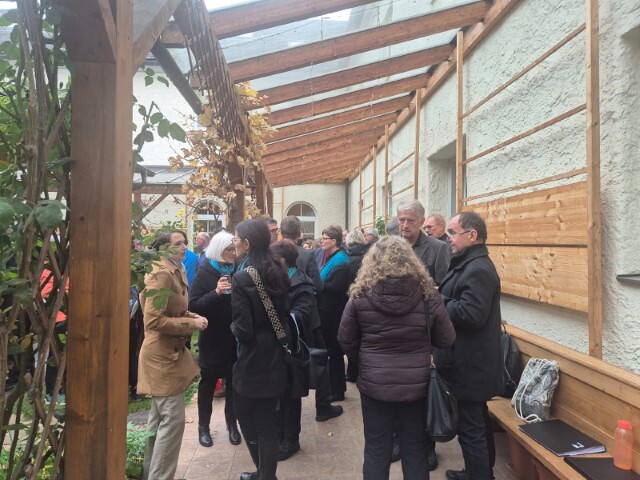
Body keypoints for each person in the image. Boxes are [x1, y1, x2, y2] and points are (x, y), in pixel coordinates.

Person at [338, 236, 455, 480]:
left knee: (376, 448)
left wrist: (366, 361)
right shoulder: (428, 295)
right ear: (412, 261)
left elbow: (345, 339)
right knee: (415, 449)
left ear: (373, 261)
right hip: (417, 385)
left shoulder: (360, 295)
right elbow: (447, 339)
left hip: (375, 384)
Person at [435, 212, 504, 480]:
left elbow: (472, 314)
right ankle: (478, 472)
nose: (449, 239)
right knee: (477, 423)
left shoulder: (478, 269)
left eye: (453, 233)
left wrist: (438, 299)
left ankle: (480, 475)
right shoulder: (470, 263)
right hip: (468, 361)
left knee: (471, 428)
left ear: (472, 235)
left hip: (471, 364)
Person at [137, 230, 208, 480]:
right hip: (161, 358)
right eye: (178, 244)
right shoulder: (161, 273)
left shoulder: (176, 269)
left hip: (169, 355)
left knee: (159, 424)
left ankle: (152, 475)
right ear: (163, 248)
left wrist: (193, 316)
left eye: (185, 242)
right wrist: (191, 324)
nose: (184, 247)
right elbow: (153, 320)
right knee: (172, 423)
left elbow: (173, 310)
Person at [231, 219, 291, 480]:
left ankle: (264, 473)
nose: (233, 244)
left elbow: (243, 330)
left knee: (245, 414)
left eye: (236, 239)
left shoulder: (242, 277)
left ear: (247, 244)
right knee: (267, 421)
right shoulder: (279, 268)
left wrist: (232, 327)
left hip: (253, 358)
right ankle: (266, 475)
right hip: (276, 352)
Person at [279, 216, 342, 430]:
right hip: (309, 317)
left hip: (281, 319)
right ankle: (323, 407)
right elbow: (319, 285)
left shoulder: (272, 252)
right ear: (299, 234)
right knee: (319, 359)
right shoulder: (307, 254)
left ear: (281, 232)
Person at [189, 231, 241, 448]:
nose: (233, 253)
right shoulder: (206, 271)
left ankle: (232, 426)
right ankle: (204, 428)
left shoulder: (238, 269)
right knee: (208, 383)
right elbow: (193, 305)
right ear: (219, 250)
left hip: (234, 338)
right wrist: (216, 292)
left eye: (234, 248)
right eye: (228, 249)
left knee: (233, 383)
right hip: (212, 338)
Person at [317, 224, 351, 402]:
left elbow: (337, 287)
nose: (321, 241)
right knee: (331, 350)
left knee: (334, 351)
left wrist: (318, 285)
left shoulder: (341, 261)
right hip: (328, 311)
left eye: (325, 238)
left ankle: (337, 390)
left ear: (334, 241)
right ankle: (333, 387)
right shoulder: (332, 258)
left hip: (334, 313)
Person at [397, 200, 450, 285]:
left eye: (411, 221)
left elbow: (443, 286)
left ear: (422, 221)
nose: (405, 225)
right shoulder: (388, 247)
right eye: (402, 220)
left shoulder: (438, 248)